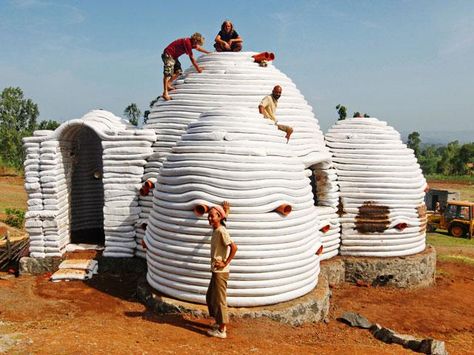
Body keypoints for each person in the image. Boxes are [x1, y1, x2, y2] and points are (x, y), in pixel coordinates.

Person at [206, 201, 238, 339]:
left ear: (219, 217)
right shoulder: (217, 229)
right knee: (210, 297)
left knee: (219, 300)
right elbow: (222, 224)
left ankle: (222, 330)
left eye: (212, 216)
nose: (209, 218)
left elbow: (234, 247)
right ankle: (219, 323)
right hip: (215, 271)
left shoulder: (221, 231)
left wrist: (225, 262)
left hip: (221, 272)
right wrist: (225, 213)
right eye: (208, 216)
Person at [162, 33, 210, 101]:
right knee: (167, 73)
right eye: (198, 43)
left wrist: (208, 52)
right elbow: (192, 58)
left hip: (174, 57)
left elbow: (198, 48)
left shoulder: (192, 43)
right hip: (168, 54)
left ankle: (168, 84)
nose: (197, 45)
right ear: (195, 40)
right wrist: (198, 69)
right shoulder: (187, 43)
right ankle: (165, 93)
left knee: (178, 72)